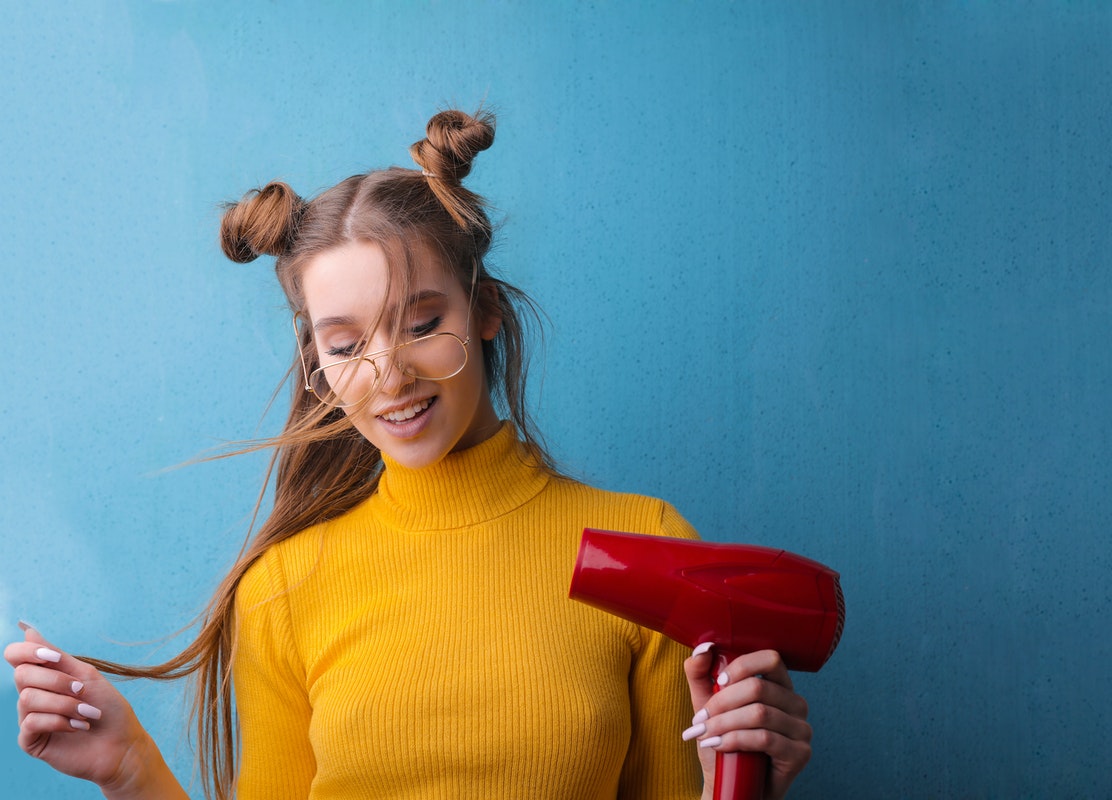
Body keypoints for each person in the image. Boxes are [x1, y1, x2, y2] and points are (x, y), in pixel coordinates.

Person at [5, 109, 813, 800]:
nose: (388, 374)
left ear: (485, 308)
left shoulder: (650, 546)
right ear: (317, 361)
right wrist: (131, 772)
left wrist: (735, 782)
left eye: (422, 323)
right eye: (347, 344)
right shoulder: (284, 589)